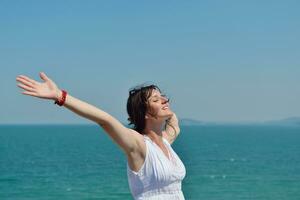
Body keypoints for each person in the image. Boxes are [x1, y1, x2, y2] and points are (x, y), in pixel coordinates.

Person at [16, 72, 186, 199]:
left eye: (162, 97)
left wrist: (164, 109)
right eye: (156, 100)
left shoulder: (165, 141)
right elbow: (105, 120)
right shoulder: (138, 144)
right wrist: (60, 96)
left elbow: (174, 126)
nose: (164, 100)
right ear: (144, 114)